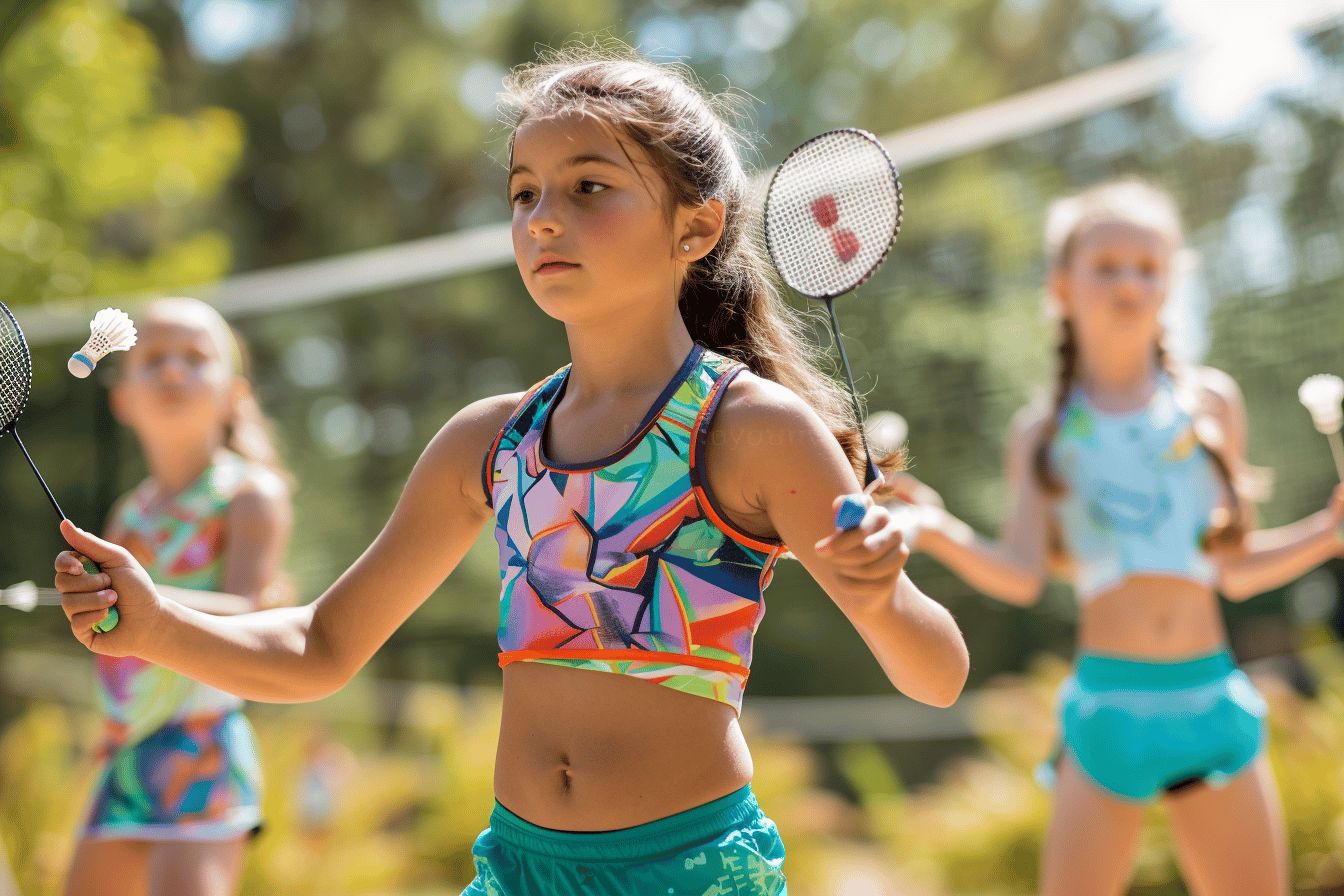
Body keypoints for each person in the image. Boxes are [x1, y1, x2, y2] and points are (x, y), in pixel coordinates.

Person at [52, 46, 968, 895]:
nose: (545, 217)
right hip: (516, 868)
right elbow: (320, 648)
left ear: (696, 228)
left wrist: (886, 600)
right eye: (524, 193)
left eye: (589, 186)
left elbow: (938, 676)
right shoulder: (488, 443)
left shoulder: (751, 428)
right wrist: (157, 624)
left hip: (686, 870)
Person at [889, 179, 1344, 896]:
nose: (1129, 281)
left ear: (1170, 283)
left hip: (1212, 706)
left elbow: (1235, 570)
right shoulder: (1041, 432)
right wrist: (939, 529)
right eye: (1107, 266)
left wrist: (1328, 533)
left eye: (1147, 265)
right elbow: (1020, 572)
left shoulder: (1212, 402)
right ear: (1062, 287)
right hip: (1106, 715)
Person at [64, 298, 293, 896]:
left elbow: (248, 616)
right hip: (126, 752)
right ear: (123, 399)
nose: (171, 372)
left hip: (202, 748)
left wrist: (143, 599)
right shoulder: (128, 513)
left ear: (233, 395)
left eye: (194, 358)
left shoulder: (249, 495)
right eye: (153, 359)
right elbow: (116, 641)